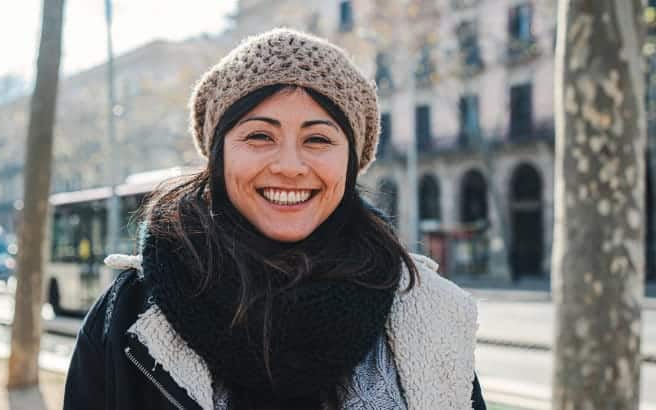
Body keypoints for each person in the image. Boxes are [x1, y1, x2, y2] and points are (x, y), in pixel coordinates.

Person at [64, 28, 486, 410]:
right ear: (219, 154)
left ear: (351, 162)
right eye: (260, 136)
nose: (289, 166)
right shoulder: (127, 316)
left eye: (317, 139)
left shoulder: (431, 311)